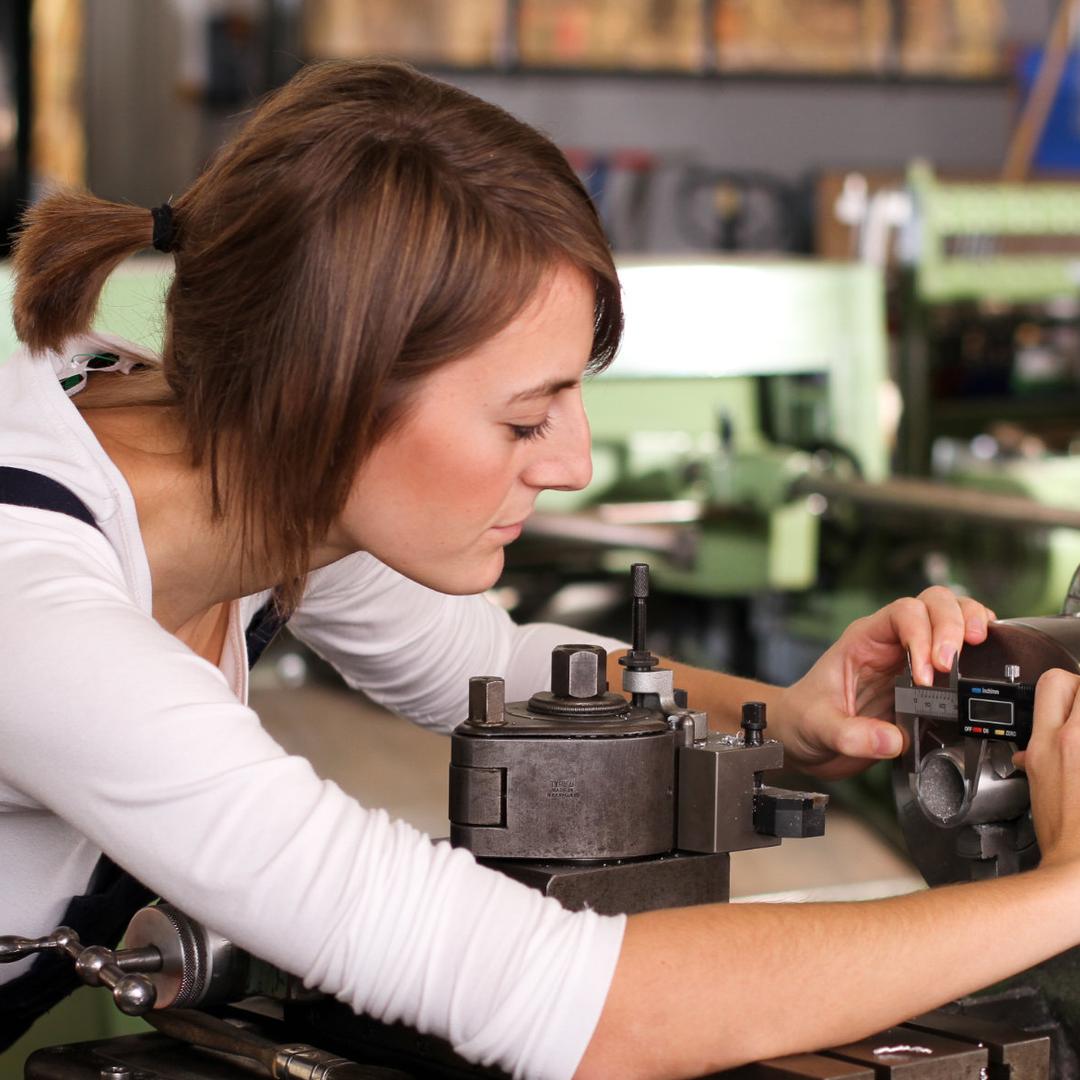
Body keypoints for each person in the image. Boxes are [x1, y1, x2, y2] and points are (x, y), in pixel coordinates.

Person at [0, 58, 1078, 1080]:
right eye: (524, 420)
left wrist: (786, 719)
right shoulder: (40, 608)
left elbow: (500, 664)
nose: (575, 464)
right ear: (322, 398)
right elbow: (590, 1016)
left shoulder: (240, 462)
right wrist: (1062, 897)